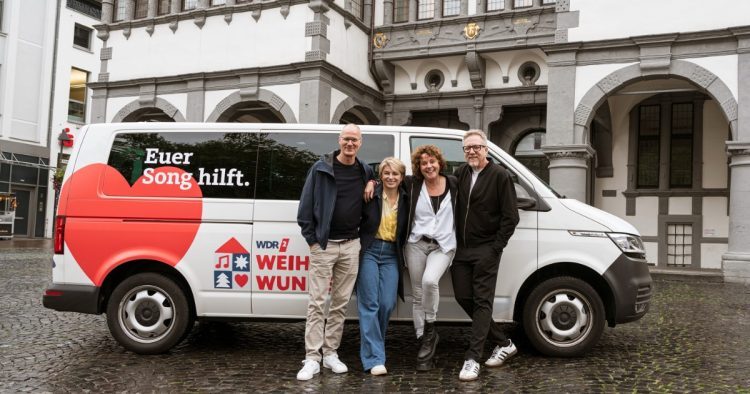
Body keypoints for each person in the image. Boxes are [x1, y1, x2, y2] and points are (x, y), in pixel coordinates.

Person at [295, 123, 375, 381]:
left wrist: (372, 181)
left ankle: (330, 353)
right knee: (317, 303)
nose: (350, 144)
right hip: (324, 245)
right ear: (339, 140)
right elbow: (305, 207)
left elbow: (390, 178)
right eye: (346, 139)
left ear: (360, 143)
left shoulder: (365, 170)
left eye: (355, 140)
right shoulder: (320, 168)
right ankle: (312, 358)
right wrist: (313, 241)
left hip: (351, 245)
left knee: (340, 304)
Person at [452, 129, 520, 381]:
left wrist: (495, 249)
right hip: (461, 249)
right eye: (467, 148)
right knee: (463, 297)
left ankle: (472, 359)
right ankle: (503, 342)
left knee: (482, 301)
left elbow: (511, 217)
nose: (471, 151)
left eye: (476, 147)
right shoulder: (461, 173)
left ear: (486, 149)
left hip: (486, 250)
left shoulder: (500, 176)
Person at [403, 145, 458, 370]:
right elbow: (388, 177)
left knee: (429, 282)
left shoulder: (454, 183)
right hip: (416, 243)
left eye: (432, 161)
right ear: (419, 167)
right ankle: (423, 341)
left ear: (439, 162)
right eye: (423, 163)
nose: (428, 166)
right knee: (417, 293)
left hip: (443, 246)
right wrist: (372, 182)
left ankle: (431, 330)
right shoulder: (413, 184)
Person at [356, 157, 409, 376]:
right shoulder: (372, 192)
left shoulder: (407, 196)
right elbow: (360, 173)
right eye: (386, 173)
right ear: (380, 175)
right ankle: (375, 358)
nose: (390, 177)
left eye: (395, 173)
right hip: (369, 250)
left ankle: (373, 347)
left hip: (391, 255)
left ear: (402, 177)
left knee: (387, 303)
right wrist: (370, 181)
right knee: (370, 304)